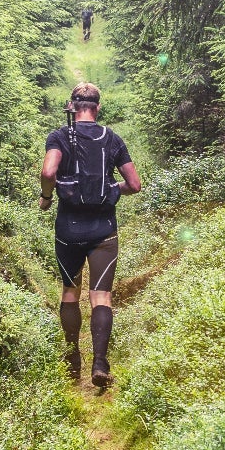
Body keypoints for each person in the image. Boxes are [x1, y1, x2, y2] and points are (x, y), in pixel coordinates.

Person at [40, 82, 140, 391]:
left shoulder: (59, 136)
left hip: (68, 228)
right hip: (103, 230)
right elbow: (134, 184)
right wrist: (110, 189)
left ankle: (72, 362)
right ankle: (100, 363)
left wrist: (47, 197)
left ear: (72, 106)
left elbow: (48, 173)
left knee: (70, 292)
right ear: (96, 108)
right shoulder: (112, 138)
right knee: (101, 296)